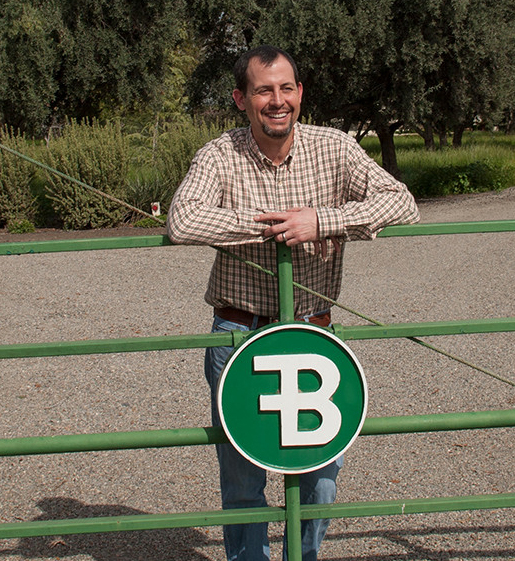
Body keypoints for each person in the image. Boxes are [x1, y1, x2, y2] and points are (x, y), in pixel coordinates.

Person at [166, 45, 419, 561]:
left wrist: (321, 220)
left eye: (286, 88)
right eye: (263, 90)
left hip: (312, 335)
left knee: (321, 477)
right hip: (238, 336)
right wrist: (269, 223)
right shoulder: (219, 154)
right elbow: (183, 220)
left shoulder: (336, 148)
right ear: (241, 98)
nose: (276, 100)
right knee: (242, 479)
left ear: (300, 93)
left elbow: (403, 201)